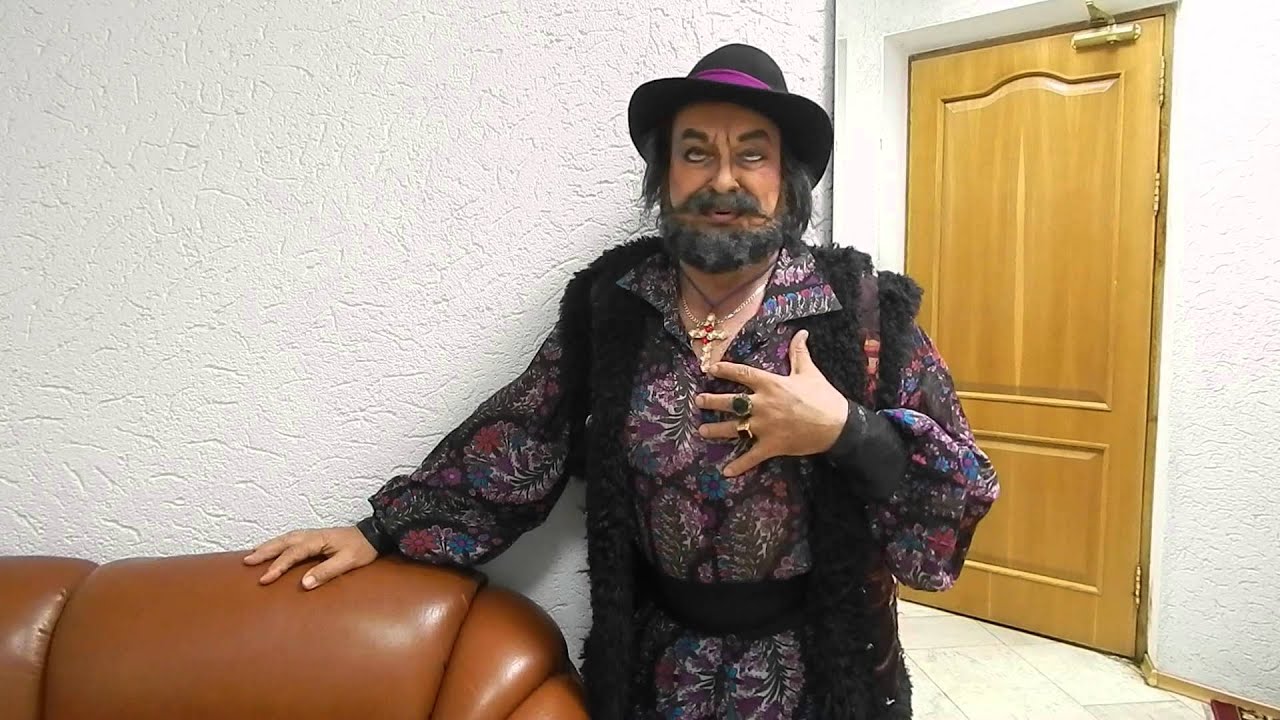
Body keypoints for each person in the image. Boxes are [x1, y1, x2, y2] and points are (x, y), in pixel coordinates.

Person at [245, 43, 999, 719]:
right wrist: (377, 532)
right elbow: (523, 439)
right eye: (696, 153)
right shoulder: (613, 307)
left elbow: (964, 491)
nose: (724, 179)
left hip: (818, 684)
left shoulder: (863, 311)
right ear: (665, 177)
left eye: (752, 154)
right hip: (656, 679)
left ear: (787, 180)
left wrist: (845, 432)